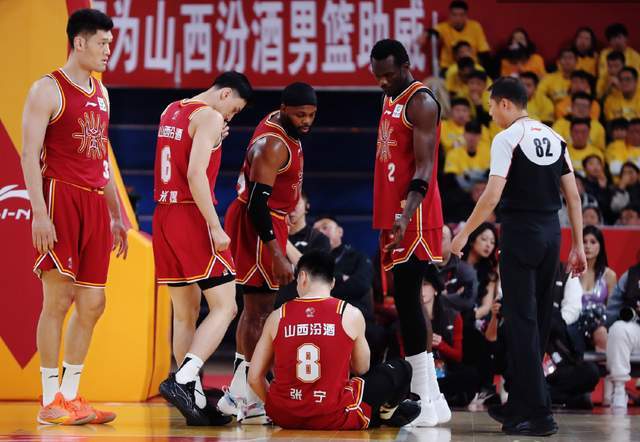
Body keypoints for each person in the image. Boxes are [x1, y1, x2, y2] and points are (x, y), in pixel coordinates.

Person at [451, 77, 586, 436]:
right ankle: (520, 406)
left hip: (521, 233)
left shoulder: (507, 138)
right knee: (537, 321)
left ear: (505, 104)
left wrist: (463, 234)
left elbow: (492, 196)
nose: (491, 113)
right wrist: (576, 244)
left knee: (521, 321)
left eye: (491, 106)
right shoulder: (555, 137)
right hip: (552, 234)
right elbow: (573, 197)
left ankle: (540, 414)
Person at [21, 8, 127, 425]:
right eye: (102, 43)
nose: (108, 51)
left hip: (95, 203)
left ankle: (70, 396)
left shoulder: (102, 93)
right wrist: (38, 213)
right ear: (79, 42)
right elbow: (29, 155)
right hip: (59, 197)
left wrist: (116, 215)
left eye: (110, 44)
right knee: (58, 299)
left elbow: (101, 159)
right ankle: (50, 399)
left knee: (93, 303)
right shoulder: (47, 89)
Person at [152, 71, 252, 425]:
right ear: (225, 94)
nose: (230, 117)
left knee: (186, 312)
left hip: (163, 216)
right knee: (227, 306)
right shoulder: (209, 116)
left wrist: (212, 139)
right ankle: (182, 379)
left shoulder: (171, 109)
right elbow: (195, 174)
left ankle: (192, 397)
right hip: (192, 215)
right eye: (234, 109)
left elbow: (181, 150)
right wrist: (214, 225)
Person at [220, 83, 317, 422]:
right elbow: (257, 206)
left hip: (270, 217)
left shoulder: (281, 123)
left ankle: (239, 392)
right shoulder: (273, 145)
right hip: (258, 223)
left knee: (257, 309)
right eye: (300, 115)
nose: (306, 121)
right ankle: (244, 394)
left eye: (311, 115)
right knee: (258, 309)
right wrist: (277, 253)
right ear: (284, 109)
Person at [370, 39, 451, 426]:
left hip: (413, 214)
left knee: (408, 301)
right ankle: (433, 399)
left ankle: (421, 395)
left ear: (406, 65)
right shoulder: (390, 96)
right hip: (395, 213)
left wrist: (406, 215)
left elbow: (424, 166)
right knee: (408, 302)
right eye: (377, 76)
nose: (383, 82)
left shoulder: (421, 102)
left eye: (388, 74)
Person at [247, 251, 422, 429]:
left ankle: (382, 415)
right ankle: (385, 413)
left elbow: (253, 377)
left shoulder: (277, 316)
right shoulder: (350, 313)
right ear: (333, 283)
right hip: (333, 416)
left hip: (284, 416)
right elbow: (362, 368)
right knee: (402, 368)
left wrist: (279, 406)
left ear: (302, 277)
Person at [571, 226, 617, 353]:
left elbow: (612, 310)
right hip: (575, 324)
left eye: (593, 242)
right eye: (584, 242)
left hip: (599, 327)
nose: (587, 246)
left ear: (600, 246)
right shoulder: (571, 273)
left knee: (601, 332)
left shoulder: (609, 275)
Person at [606, 260, 640, 409]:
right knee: (618, 329)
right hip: (637, 328)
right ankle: (619, 391)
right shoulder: (632, 274)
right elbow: (613, 309)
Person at [433, 225, 478, 315]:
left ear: (452, 241)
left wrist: (436, 297)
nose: (436, 241)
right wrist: (453, 296)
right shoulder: (423, 268)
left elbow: (467, 301)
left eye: (441, 237)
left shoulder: (464, 270)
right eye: (433, 237)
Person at [433, 1, 490, 72]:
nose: (458, 18)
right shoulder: (443, 27)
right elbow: (433, 32)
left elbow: (484, 51)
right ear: (449, 15)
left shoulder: (475, 27)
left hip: (472, 67)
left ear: (466, 16)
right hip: (449, 68)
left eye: (461, 15)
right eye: (454, 15)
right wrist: (426, 34)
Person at [444, 121, 490, 193]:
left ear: (480, 136)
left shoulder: (488, 152)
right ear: (464, 134)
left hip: (484, 192)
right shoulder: (453, 153)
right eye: (469, 133)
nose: (472, 137)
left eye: (476, 134)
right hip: (462, 193)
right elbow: (450, 179)